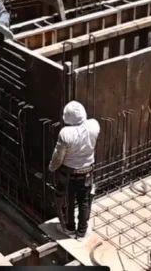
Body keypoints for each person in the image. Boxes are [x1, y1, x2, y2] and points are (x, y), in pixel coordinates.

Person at [48, 101, 101, 239]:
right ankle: (82, 232)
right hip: (87, 171)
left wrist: (52, 168)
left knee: (69, 200)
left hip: (69, 172)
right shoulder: (94, 125)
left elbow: (58, 156)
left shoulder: (66, 133)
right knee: (84, 201)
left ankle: (70, 228)